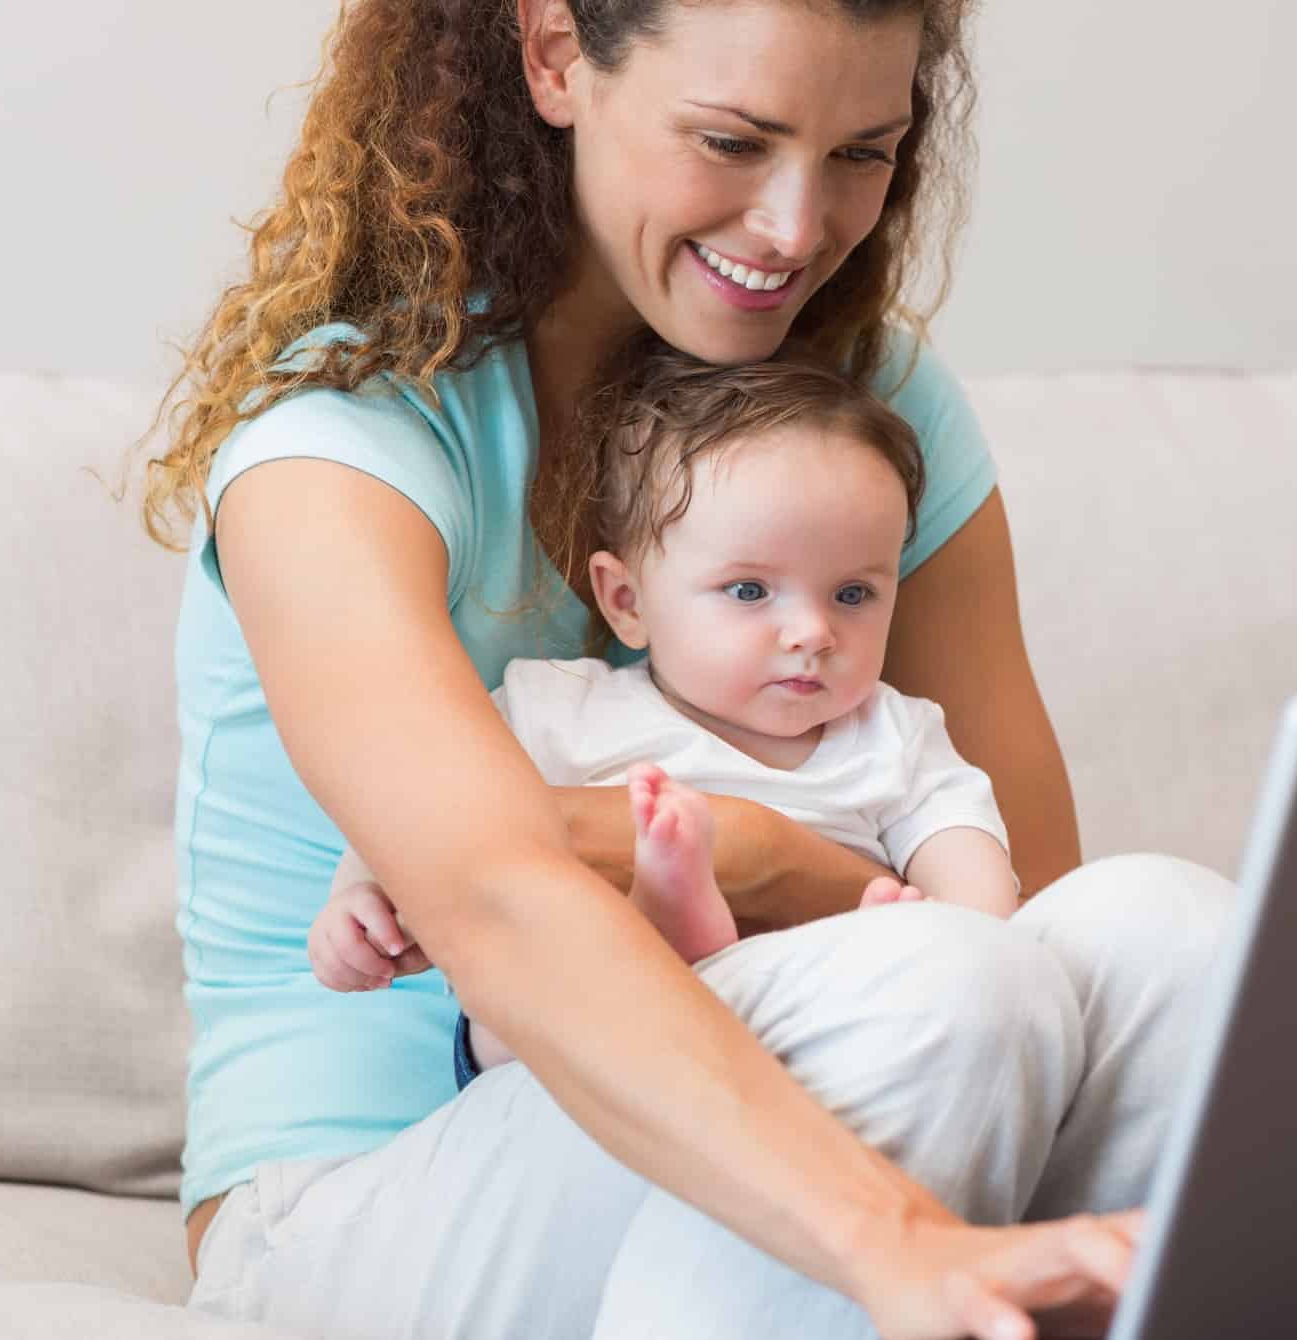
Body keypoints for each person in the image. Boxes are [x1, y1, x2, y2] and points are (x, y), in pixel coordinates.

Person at [142, 0, 1237, 1335]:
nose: (794, 229)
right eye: (733, 140)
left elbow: (1036, 910)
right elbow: (497, 902)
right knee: (941, 990)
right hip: (361, 1196)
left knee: (1170, 935)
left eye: (861, 154)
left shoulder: (865, 407)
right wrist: (884, 1220)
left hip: (844, 1054)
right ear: (554, 56)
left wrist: (777, 863)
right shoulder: (341, 446)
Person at [308, 344, 1022, 1075]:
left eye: (853, 594)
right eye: (749, 591)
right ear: (627, 602)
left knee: (891, 998)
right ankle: (665, 918)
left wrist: (939, 937)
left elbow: (978, 885)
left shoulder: (894, 739)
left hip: (801, 1040)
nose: (814, 632)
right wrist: (360, 898)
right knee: (518, 997)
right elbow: (412, 810)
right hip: (590, 1057)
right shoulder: (562, 712)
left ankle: (697, 933)